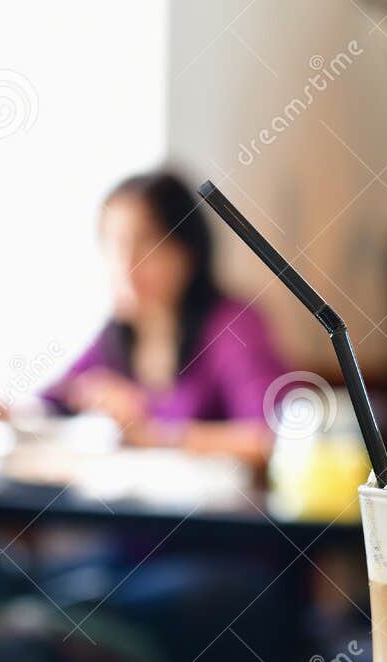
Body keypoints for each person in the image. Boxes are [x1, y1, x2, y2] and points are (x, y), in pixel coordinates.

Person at [43, 170, 285, 469]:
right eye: (113, 243)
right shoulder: (119, 331)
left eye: (145, 242)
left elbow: (270, 439)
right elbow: (55, 398)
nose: (125, 263)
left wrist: (154, 434)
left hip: (214, 510)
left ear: (187, 251)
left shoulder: (234, 325)